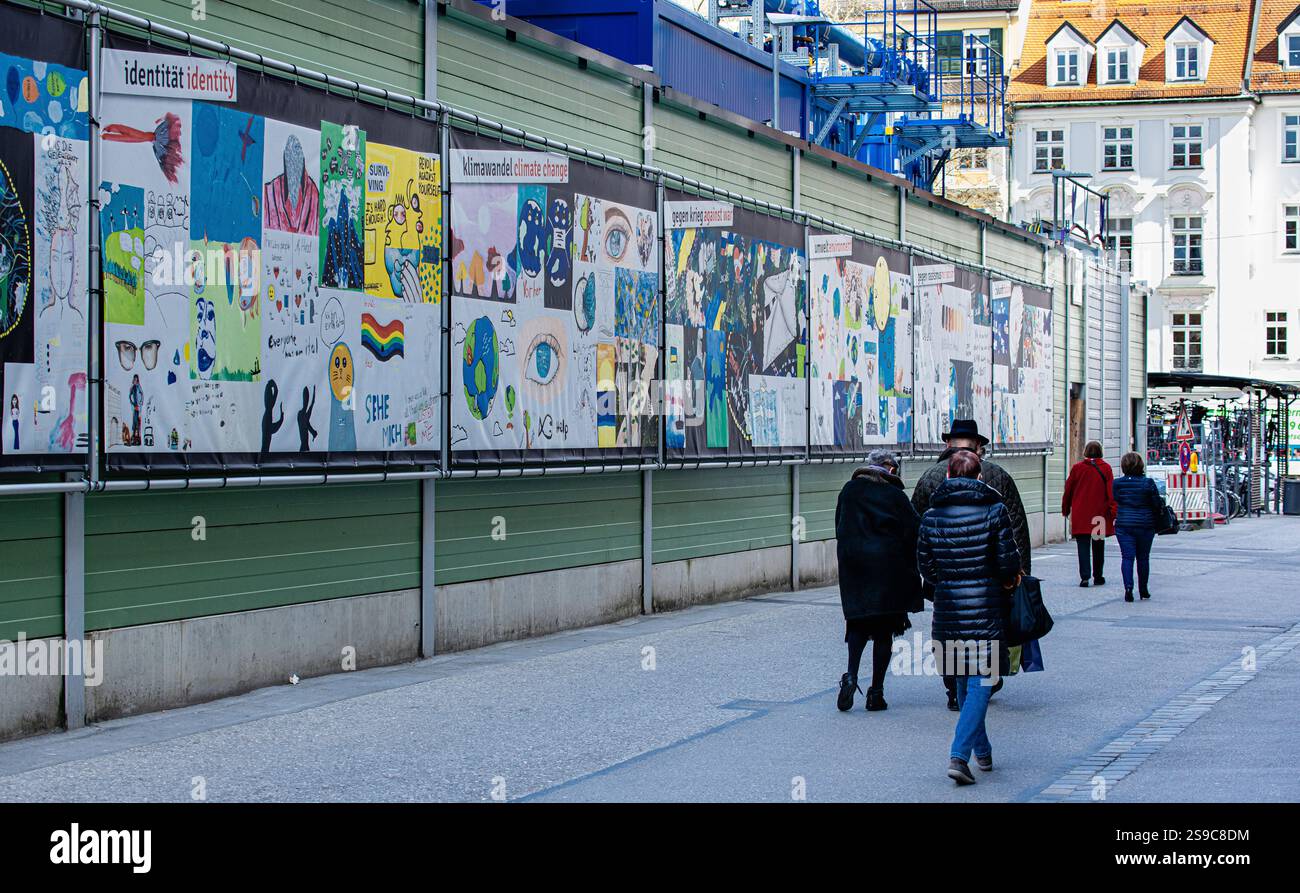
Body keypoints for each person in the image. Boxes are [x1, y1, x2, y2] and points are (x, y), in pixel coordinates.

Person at [917, 449, 1021, 785]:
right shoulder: (995, 511)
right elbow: (1008, 563)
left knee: (964, 683)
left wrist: (947, 583)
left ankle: (984, 752)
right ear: (980, 477)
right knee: (980, 685)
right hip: (985, 610)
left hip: (948, 611)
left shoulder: (932, 516)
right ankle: (959, 757)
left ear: (947, 476)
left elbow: (925, 567)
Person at [911, 419, 1028, 709]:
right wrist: (1016, 573)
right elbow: (1016, 527)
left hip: (947, 580)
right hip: (991, 579)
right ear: (979, 445)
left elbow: (917, 532)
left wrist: (933, 578)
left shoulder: (929, 477)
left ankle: (955, 688)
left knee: (952, 630)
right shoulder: (998, 475)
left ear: (947, 444)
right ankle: (985, 681)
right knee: (989, 629)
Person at [833, 450, 923, 712]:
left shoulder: (849, 490)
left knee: (859, 623)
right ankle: (876, 693)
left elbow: (839, 526)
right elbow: (914, 529)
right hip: (888, 569)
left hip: (855, 568)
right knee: (884, 630)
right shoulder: (894, 495)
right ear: (889, 468)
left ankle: (850, 676)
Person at [1061, 440, 1117, 587]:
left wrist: (1065, 508)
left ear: (1085, 452)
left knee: (1083, 546)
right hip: (1099, 515)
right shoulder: (1106, 468)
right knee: (1098, 545)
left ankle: (1085, 577)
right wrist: (1113, 511)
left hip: (1081, 514)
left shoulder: (1077, 468)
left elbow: (1068, 490)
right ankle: (1098, 576)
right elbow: (1110, 492)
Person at [1112, 451, 1165, 602]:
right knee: (1143, 558)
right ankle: (1143, 589)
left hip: (1124, 524)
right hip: (1145, 524)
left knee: (1127, 557)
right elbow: (1156, 503)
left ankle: (1128, 587)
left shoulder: (1117, 483)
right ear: (1141, 465)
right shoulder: (1147, 483)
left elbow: (1117, 499)